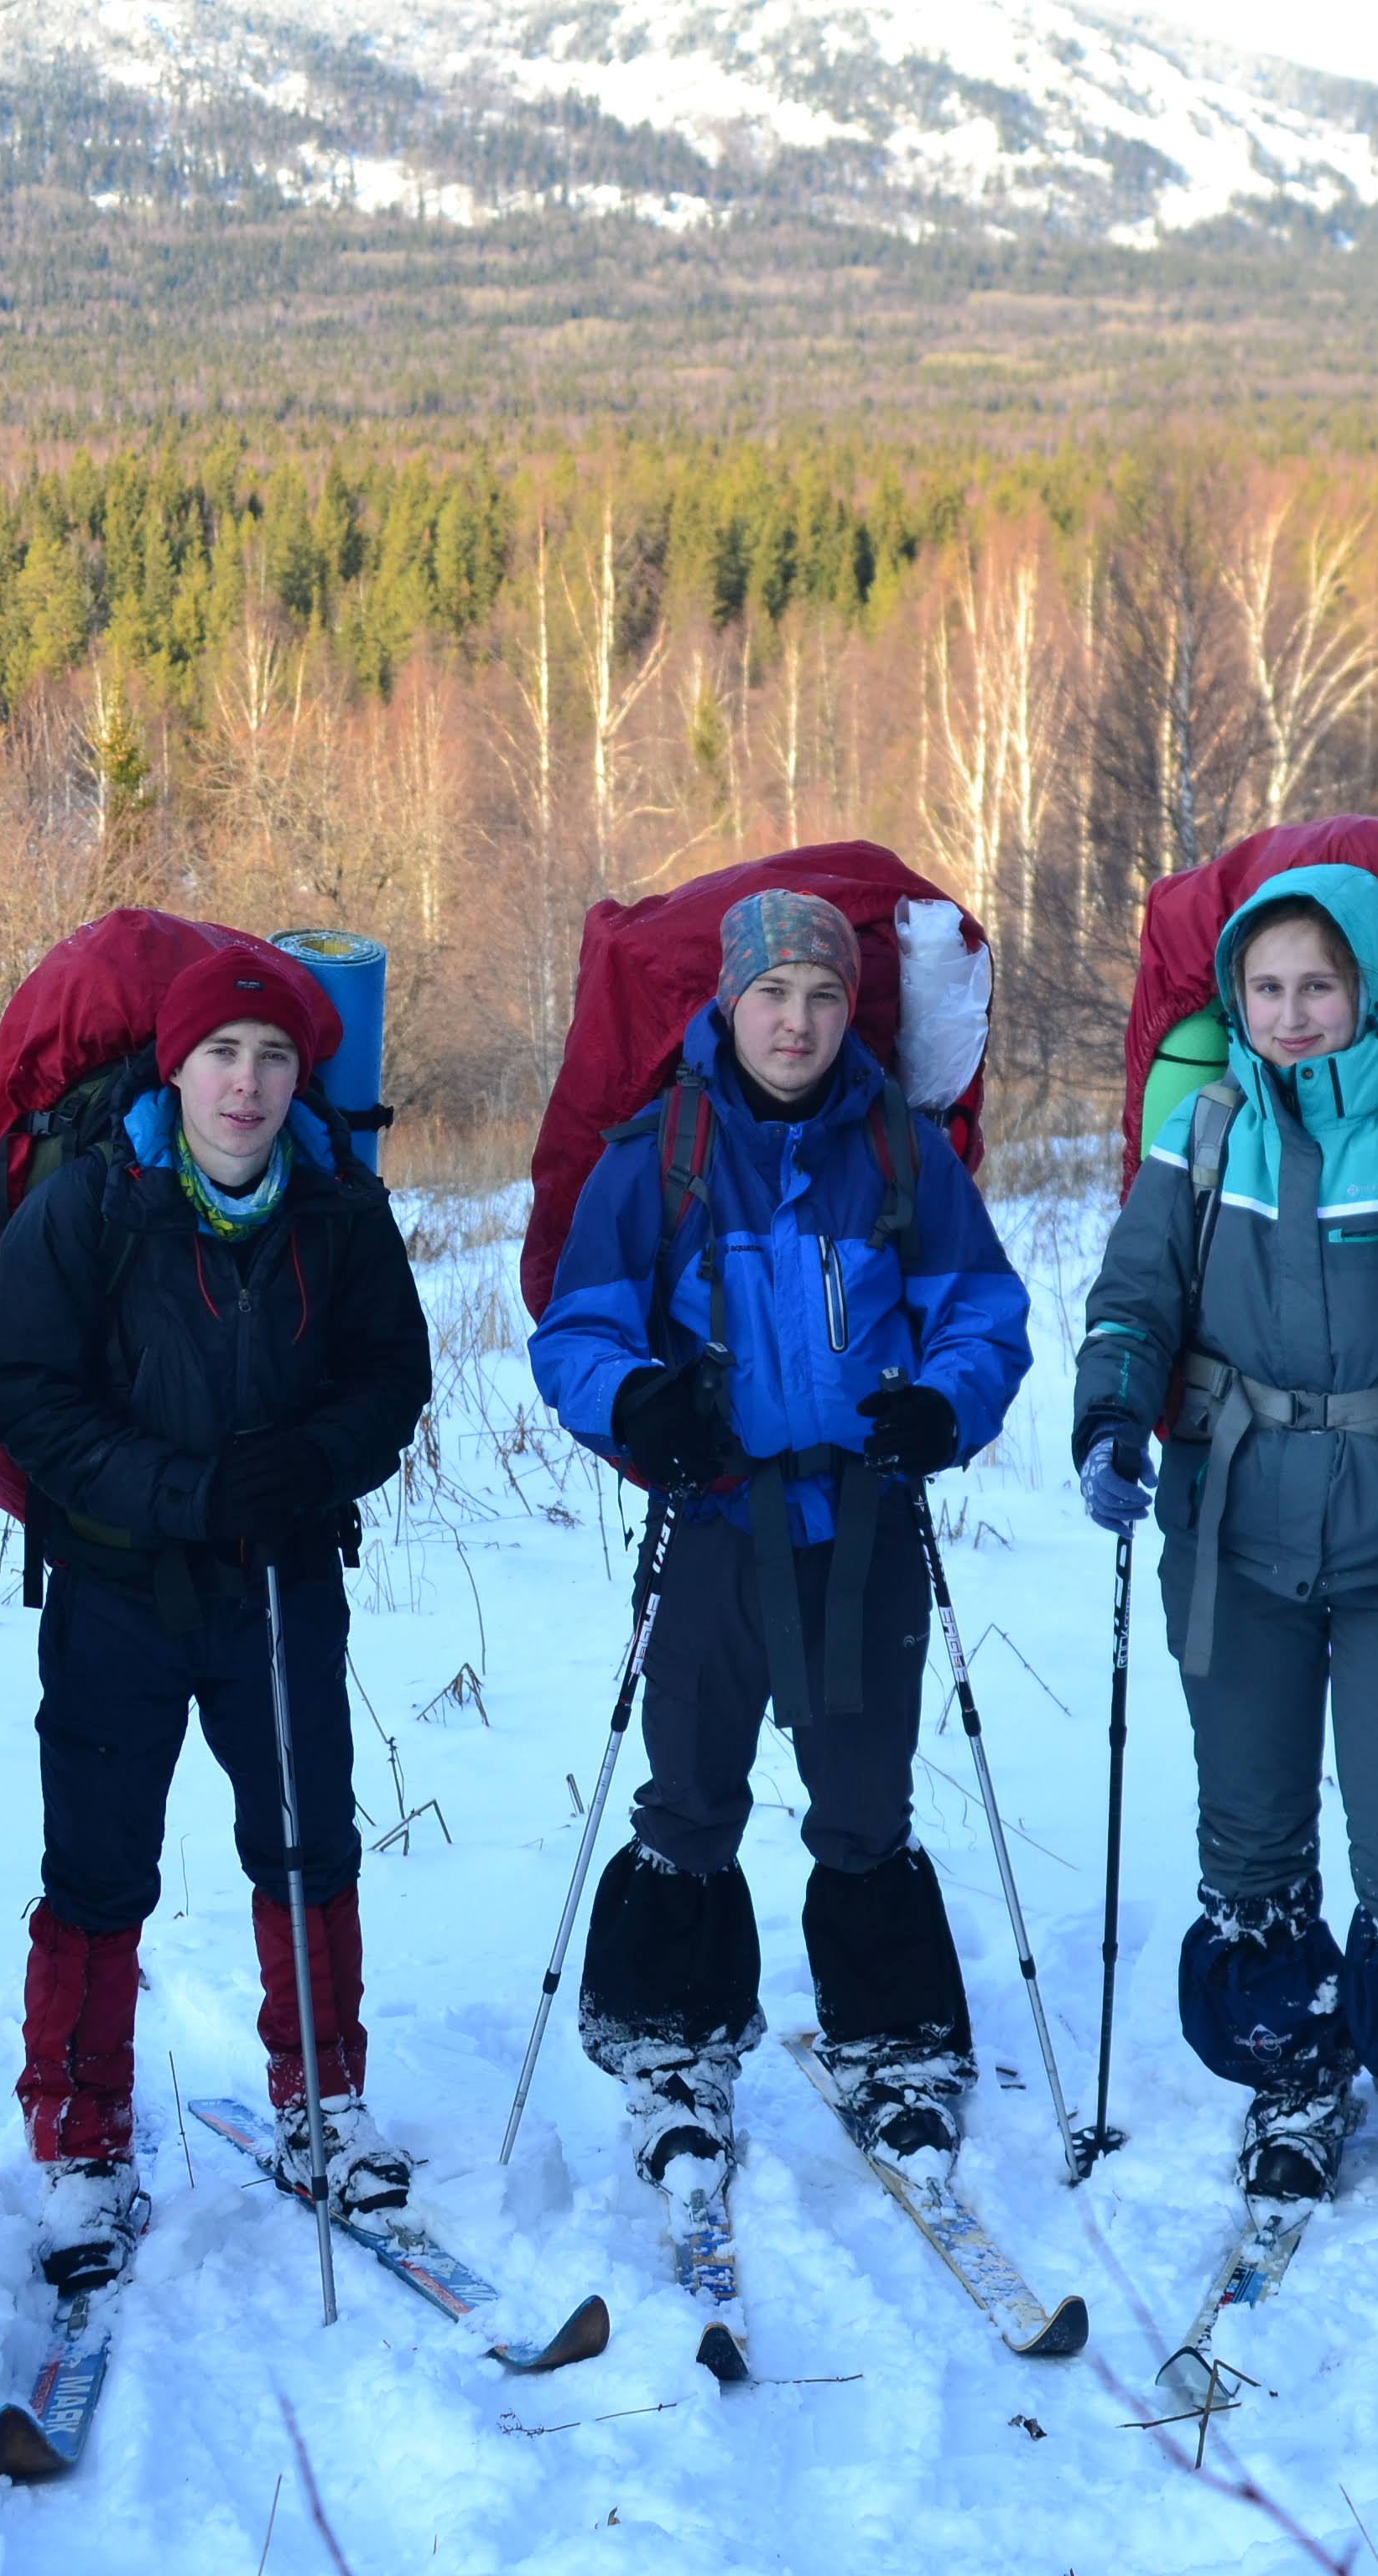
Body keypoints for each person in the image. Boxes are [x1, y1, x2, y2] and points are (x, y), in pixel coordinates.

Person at [1069, 864, 1378, 2205]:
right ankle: (1290, 2074)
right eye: (1269, 988)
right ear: (1239, 998)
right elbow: (1132, 1305)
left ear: (1370, 994)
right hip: (1231, 1531)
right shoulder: (1204, 1133)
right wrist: (1112, 1419)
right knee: (1249, 1841)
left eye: (1320, 987)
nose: (1293, 1013)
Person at [528, 889, 1032, 2193]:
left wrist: (944, 1404)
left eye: (820, 994)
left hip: (863, 1524)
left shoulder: (901, 1156)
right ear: (728, 1004)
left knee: (865, 1799)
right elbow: (578, 1335)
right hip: (712, 1526)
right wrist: (639, 1400)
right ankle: (670, 2053)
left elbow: (981, 1312)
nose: (796, 1020)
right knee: (691, 1792)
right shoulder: (662, 1158)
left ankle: (899, 2049)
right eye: (772, 995)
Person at [0, 936, 430, 2281]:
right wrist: (184, 1489)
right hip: (117, 1585)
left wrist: (312, 1463)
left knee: (307, 1840)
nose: (246, 1084)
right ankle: (79, 2142)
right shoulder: (89, 1208)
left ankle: (324, 2105)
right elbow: (29, 1397)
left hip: (282, 1582)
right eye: (220, 1056)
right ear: (173, 1069)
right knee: (100, 1862)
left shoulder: (339, 1210)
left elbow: (389, 1376)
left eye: (274, 1057)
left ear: (301, 1075)